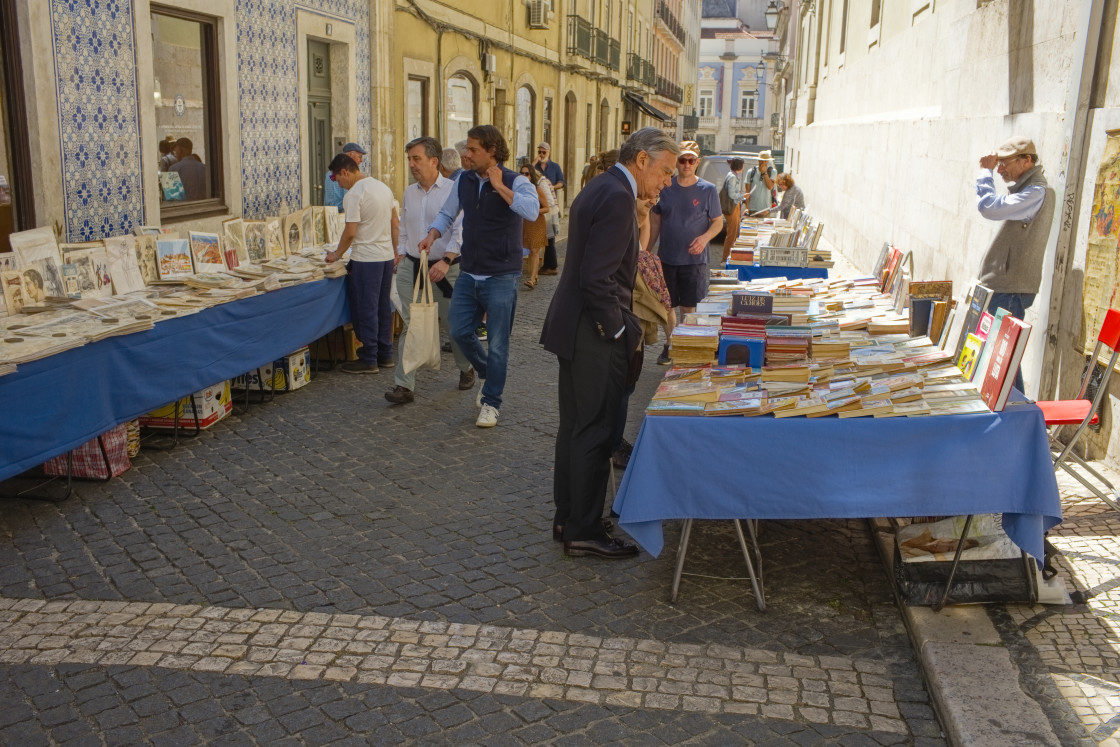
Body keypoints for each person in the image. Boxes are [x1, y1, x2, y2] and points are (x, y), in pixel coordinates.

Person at [540, 127, 679, 559]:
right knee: (595, 431)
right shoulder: (618, 196)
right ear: (642, 160)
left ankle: (570, 517)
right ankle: (582, 530)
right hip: (594, 332)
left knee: (577, 429)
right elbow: (597, 279)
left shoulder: (604, 186)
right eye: (665, 171)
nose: (667, 182)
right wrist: (618, 332)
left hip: (577, 327)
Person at [419, 124, 540, 428]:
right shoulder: (464, 181)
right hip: (470, 272)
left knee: (499, 343)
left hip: (502, 275)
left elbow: (532, 211)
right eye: (466, 149)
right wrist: (432, 234)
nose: (466, 154)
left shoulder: (517, 180)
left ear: (492, 152)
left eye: (473, 150)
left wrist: (500, 187)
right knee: (459, 332)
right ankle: (489, 373)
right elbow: (448, 213)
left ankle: (491, 401)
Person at [385, 137, 476, 404]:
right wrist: (401, 253)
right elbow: (403, 227)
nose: (411, 164)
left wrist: (446, 259)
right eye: (409, 159)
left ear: (434, 161)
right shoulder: (409, 192)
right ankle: (404, 386)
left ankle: (466, 367)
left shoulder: (453, 190)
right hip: (412, 267)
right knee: (411, 326)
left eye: (417, 158)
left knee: (454, 326)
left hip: (446, 269)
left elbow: (461, 230)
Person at [976, 135, 1055, 392]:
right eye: (998, 165)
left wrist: (985, 174)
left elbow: (989, 207)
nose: (1000, 169)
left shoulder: (1037, 192)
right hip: (1005, 285)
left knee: (1004, 357)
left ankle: (1017, 416)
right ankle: (1013, 415)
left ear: (1026, 161)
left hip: (1011, 288)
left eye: (1005, 163)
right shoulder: (1027, 191)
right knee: (1001, 356)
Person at [647, 140, 724, 365]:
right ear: (677, 163)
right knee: (667, 305)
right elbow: (655, 223)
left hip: (695, 260)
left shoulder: (708, 190)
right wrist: (645, 252)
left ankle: (686, 347)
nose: (687, 164)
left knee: (689, 306)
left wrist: (704, 238)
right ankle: (671, 344)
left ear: (697, 163)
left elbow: (718, 222)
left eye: (691, 160)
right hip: (667, 257)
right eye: (683, 160)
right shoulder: (666, 187)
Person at [325, 154, 399, 374]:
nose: (339, 184)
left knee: (366, 308)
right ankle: (385, 354)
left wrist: (336, 254)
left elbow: (350, 232)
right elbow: (395, 223)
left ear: (345, 172)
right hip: (385, 256)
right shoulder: (383, 188)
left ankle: (369, 358)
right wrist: (395, 251)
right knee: (382, 307)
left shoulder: (355, 193)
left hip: (366, 259)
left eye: (337, 179)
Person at [518, 159, 551, 289]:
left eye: (526, 174)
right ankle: (534, 276)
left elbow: (547, 207)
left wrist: (533, 211)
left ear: (531, 175)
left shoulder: (537, 189)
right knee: (525, 249)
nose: (524, 176)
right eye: (522, 173)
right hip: (524, 223)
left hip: (536, 222)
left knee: (534, 250)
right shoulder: (519, 189)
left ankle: (532, 278)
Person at [324, 142, 367, 210]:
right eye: (359, 157)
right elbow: (333, 203)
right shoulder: (334, 173)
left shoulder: (352, 173)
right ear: (350, 155)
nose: (361, 160)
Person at [720, 157, 745, 262]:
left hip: (735, 206)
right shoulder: (732, 177)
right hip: (732, 207)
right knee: (731, 234)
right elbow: (732, 194)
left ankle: (729, 257)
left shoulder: (733, 175)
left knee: (734, 233)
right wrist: (742, 196)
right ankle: (725, 259)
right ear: (740, 166)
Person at [744, 150, 776, 218]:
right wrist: (747, 208)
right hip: (752, 208)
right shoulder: (751, 172)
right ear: (758, 160)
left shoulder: (772, 171)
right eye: (762, 160)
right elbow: (747, 191)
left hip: (765, 209)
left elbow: (770, 187)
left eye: (766, 161)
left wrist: (764, 173)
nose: (764, 162)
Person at [534, 141, 565, 210]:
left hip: (551, 202)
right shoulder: (535, 166)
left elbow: (561, 182)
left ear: (549, 153)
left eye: (544, 152)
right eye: (539, 152)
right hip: (537, 203)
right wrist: (534, 162)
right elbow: (527, 175)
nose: (541, 154)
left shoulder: (555, 166)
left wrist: (552, 187)